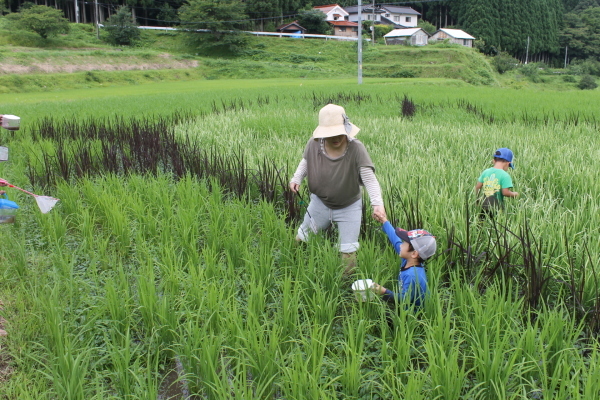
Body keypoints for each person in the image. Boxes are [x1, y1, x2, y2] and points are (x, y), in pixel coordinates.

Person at [289, 104, 385, 275]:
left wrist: (377, 204)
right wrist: (297, 178)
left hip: (349, 206)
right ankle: (290, 266)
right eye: (330, 134)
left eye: (339, 133)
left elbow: (369, 178)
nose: (335, 137)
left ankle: (345, 286)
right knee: (303, 237)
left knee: (348, 251)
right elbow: (305, 161)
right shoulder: (314, 144)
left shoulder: (356, 148)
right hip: (320, 203)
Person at [371, 211, 435, 308]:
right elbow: (395, 240)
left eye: (405, 243)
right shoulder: (408, 260)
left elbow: (405, 299)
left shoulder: (413, 275)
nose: (401, 244)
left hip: (414, 315)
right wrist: (384, 221)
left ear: (414, 254)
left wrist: (384, 291)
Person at [474, 147, 519, 219]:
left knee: (481, 224)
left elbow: (477, 187)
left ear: (494, 161)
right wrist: (515, 194)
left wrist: (477, 200)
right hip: (497, 207)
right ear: (508, 163)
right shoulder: (505, 175)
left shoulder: (486, 172)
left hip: (484, 205)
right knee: (496, 226)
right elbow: (505, 192)